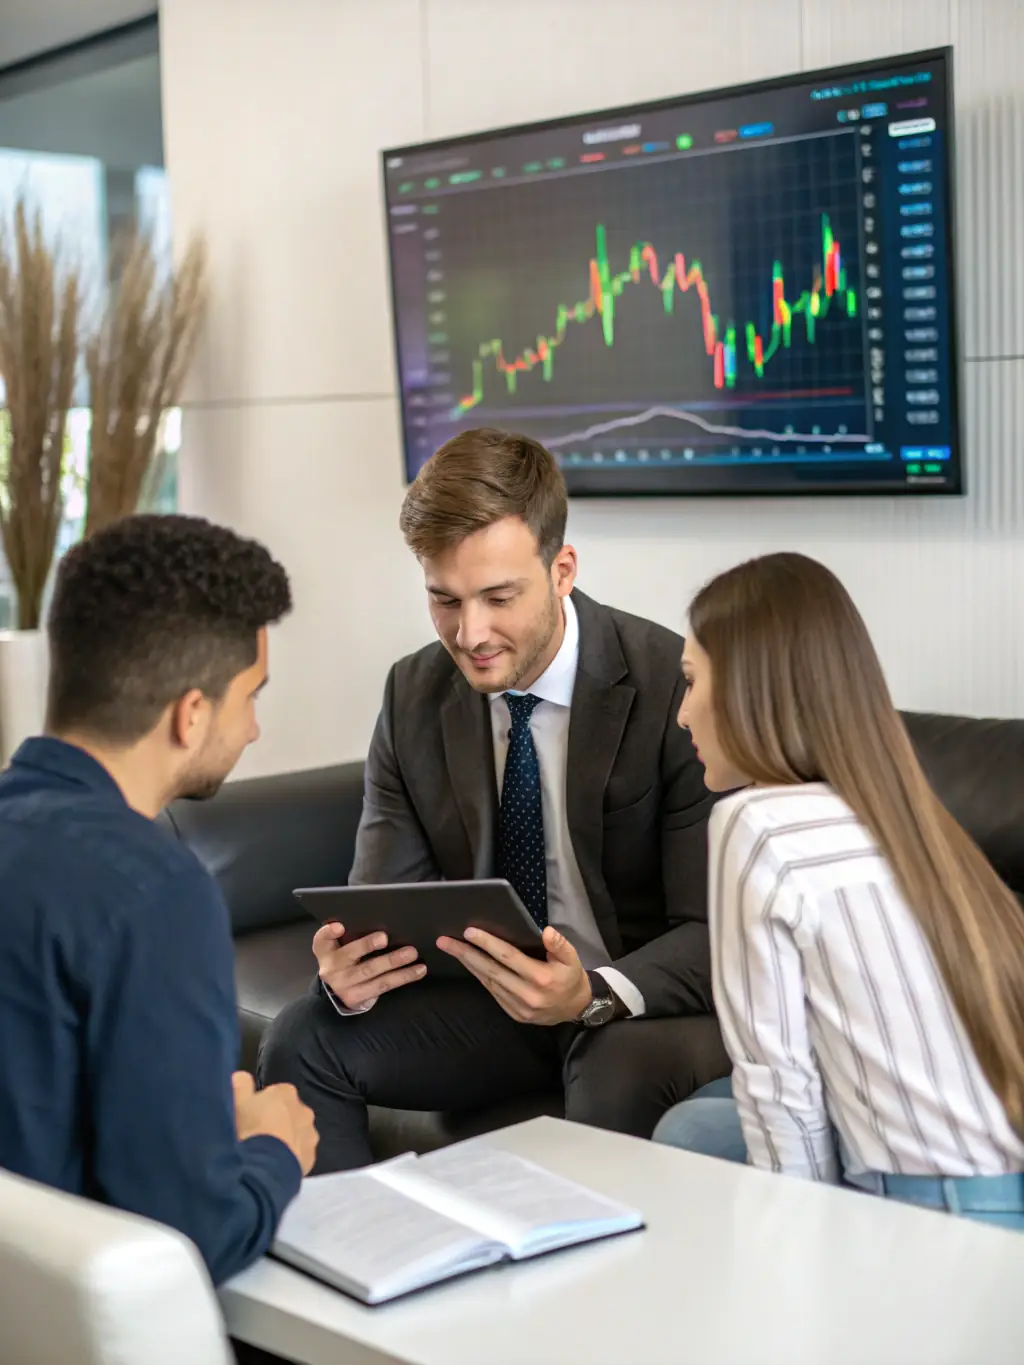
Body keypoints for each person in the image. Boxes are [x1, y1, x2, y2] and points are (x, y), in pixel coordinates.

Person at [259, 428, 727, 1169]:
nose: (469, 633)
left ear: (562, 569)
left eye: (498, 597)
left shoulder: (673, 685)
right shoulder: (413, 693)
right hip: (496, 1004)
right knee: (303, 1033)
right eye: (444, 599)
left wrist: (591, 993)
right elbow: (384, 898)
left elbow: (715, 930)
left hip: (634, 1004)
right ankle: (358, 1268)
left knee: (614, 1064)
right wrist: (352, 971)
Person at [653, 551, 1024, 1229]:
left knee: (691, 1139)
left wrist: (801, 1268)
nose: (681, 716)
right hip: (1003, 1187)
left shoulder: (754, 823)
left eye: (690, 682)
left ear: (747, 689)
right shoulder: (903, 809)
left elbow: (778, 1085)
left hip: (926, 1209)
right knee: (696, 1125)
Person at [0, 514, 319, 1286]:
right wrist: (274, 1149)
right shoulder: (155, 893)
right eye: (249, 697)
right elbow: (190, 1233)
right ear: (191, 713)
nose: (253, 728)